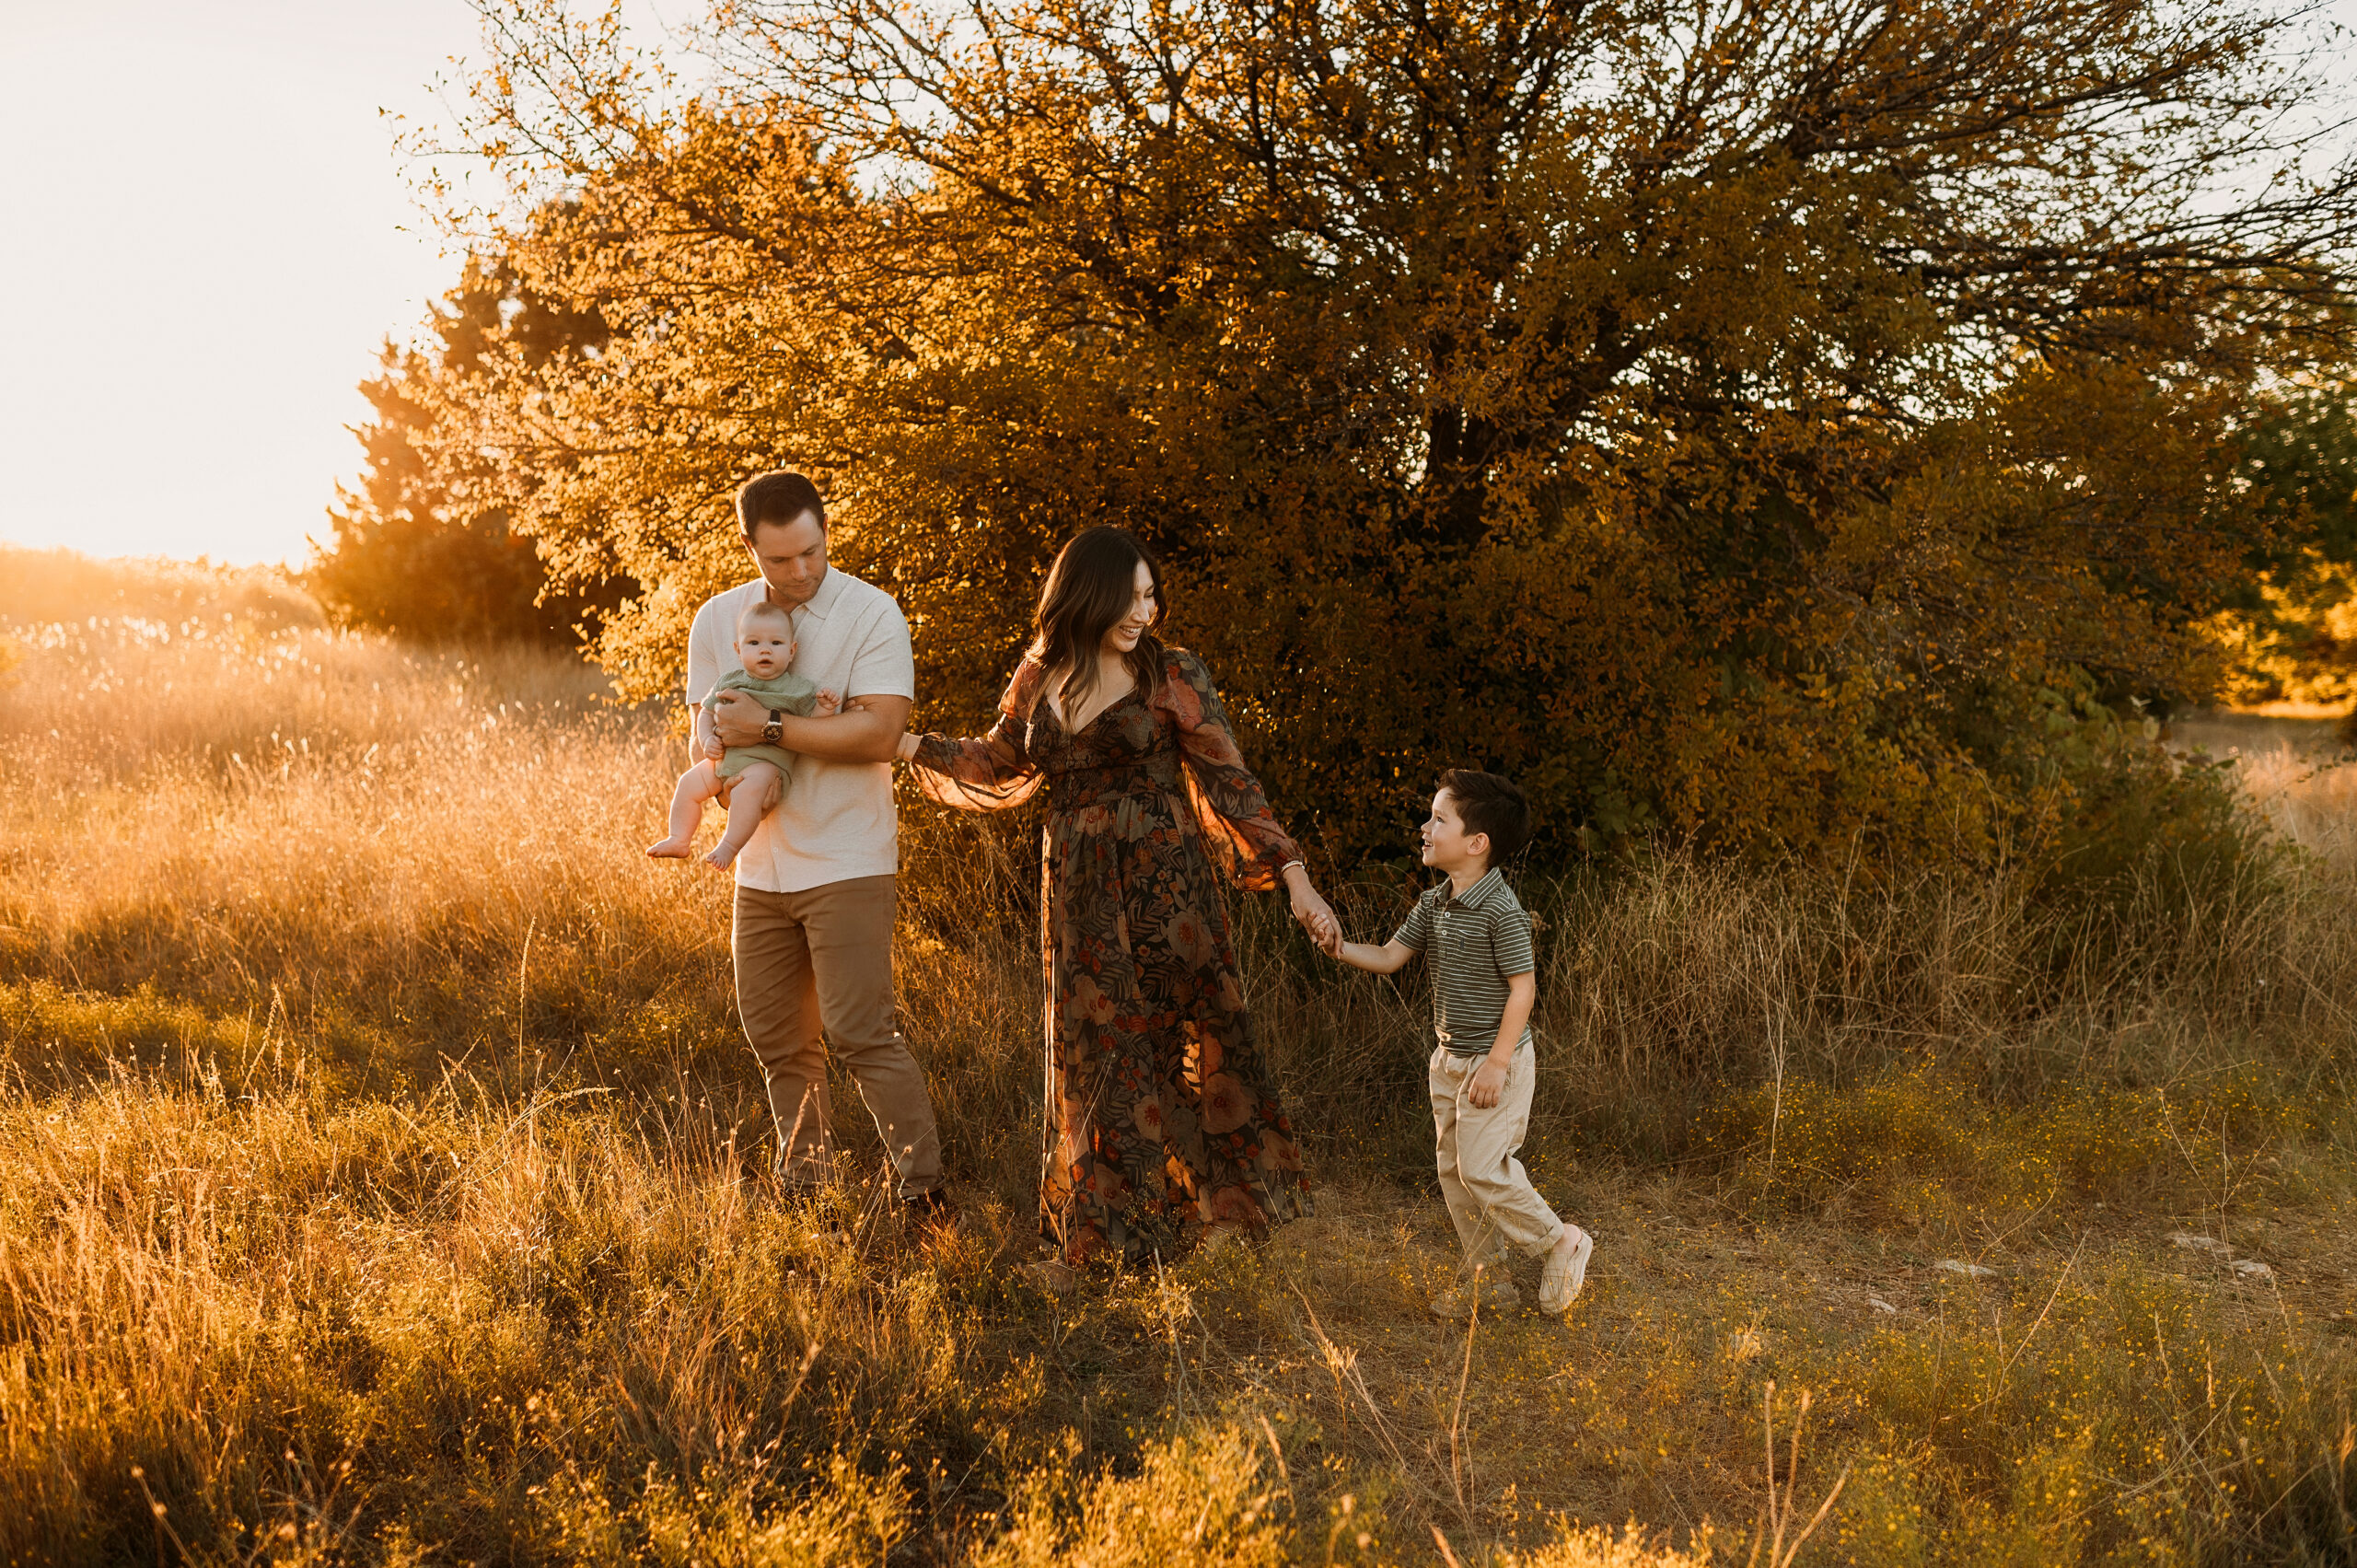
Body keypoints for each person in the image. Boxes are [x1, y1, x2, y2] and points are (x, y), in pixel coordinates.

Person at [898, 526, 1337, 1280]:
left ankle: (1215, 1214)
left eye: (1150, 593)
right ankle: (1104, 1237)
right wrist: (901, 743)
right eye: (1133, 595)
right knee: (1094, 1050)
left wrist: (1294, 876)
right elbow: (997, 760)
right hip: (1077, 890)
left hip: (1167, 883)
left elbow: (1233, 784)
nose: (1147, 608)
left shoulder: (1172, 672)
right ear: (1089, 592)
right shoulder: (1040, 675)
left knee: (1183, 1036)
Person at [692, 471, 948, 1219]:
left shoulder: (872, 612)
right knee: (777, 1037)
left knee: (861, 1031)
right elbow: (707, 733)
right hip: (759, 863)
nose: (801, 571)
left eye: (812, 551)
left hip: (849, 857)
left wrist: (769, 729)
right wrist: (721, 752)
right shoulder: (717, 621)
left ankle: (925, 1193)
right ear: (750, 549)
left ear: (825, 530)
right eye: (780, 560)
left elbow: (876, 732)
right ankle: (807, 1190)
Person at [1315, 770, 1593, 1319]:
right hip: (1449, 1059)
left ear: (1476, 843)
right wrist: (1338, 947)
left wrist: (1496, 1062)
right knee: (1455, 1174)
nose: (1425, 827)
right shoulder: (1435, 902)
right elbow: (1391, 958)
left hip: (1496, 1062)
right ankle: (1487, 1281)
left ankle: (1561, 1240)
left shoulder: (1500, 909)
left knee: (1484, 1168)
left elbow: (1524, 989)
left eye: (1439, 818)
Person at [648, 599, 837, 871]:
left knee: (749, 789)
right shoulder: (729, 681)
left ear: (792, 651)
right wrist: (707, 739)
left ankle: (729, 846)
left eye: (776, 643)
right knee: (688, 784)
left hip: (766, 767)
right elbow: (705, 713)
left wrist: (825, 707)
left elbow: (812, 729)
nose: (765, 650)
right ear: (738, 649)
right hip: (726, 760)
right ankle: (679, 838)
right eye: (754, 643)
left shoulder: (797, 689)